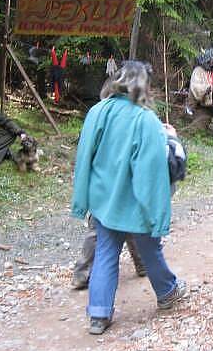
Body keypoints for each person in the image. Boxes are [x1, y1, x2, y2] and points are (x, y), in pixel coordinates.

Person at [71, 61, 187, 335]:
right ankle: (168, 293)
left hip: (104, 200)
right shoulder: (145, 119)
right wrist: (155, 210)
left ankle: (99, 314)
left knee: (106, 254)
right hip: (135, 203)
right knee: (150, 250)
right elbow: (149, 170)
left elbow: (84, 154)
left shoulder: (97, 111)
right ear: (142, 85)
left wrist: (83, 197)